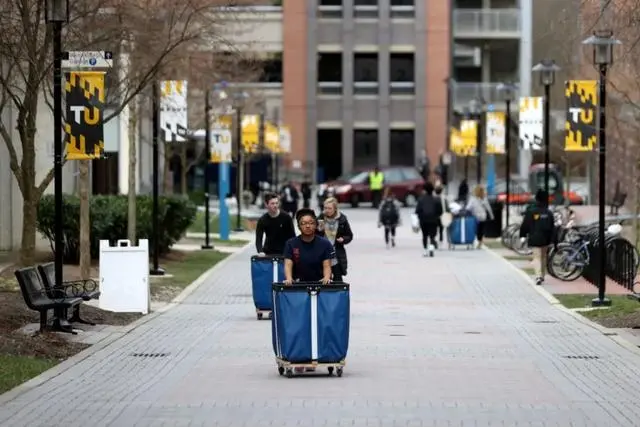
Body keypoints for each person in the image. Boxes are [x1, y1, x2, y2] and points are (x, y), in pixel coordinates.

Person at [283, 208, 334, 285]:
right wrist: (289, 278)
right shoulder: (291, 243)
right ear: (299, 226)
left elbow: (327, 265)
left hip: (319, 285)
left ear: (316, 225)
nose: (307, 226)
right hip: (298, 286)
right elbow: (288, 264)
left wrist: (327, 277)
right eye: (303, 223)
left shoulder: (325, 244)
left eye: (311, 223)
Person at [519, 189, 556, 286]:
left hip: (534, 237)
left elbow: (525, 224)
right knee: (543, 257)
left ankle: (538, 276)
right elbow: (553, 228)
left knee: (537, 257)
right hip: (546, 238)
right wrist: (554, 240)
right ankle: (542, 275)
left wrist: (522, 235)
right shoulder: (549, 213)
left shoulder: (531, 211)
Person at [317, 197, 353, 281]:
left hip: (336, 254)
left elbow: (349, 235)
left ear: (335, 209)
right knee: (324, 280)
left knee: (338, 280)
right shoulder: (320, 218)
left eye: (329, 208)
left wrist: (343, 239)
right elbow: (312, 235)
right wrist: (318, 230)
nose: (327, 210)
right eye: (325, 208)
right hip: (323, 254)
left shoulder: (342, 219)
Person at [415, 182, 443, 257]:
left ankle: (425, 250)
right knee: (432, 236)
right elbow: (440, 211)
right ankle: (431, 249)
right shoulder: (436, 199)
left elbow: (417, 211)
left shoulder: (421, 199)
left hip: (423, 220)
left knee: (424, 235)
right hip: (433, 220)